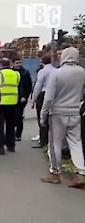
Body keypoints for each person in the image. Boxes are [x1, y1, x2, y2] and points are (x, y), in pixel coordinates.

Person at [40, 47, 85, 188]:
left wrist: (43, 115)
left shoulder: (57, 73)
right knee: (76, 142)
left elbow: (48, 98)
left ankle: (54, 172)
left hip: (57, 113)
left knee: (55, 143)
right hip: (75, 112)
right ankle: (81, 172)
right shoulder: (82, 72)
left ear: (64, 56)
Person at [0, 58, 20, 154]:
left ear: (0, 65)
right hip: (13, 103)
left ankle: (0, 147)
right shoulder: (17, 74)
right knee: (11, 126)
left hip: (0, 103)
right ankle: (11, 145)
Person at [32, 53, 55, 148]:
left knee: (42, 117)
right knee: (51, 116)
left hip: (43, 94)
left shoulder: (42, 72)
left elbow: (38, 86)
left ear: (42, 61)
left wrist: (33, 99)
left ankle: (43, 140)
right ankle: (51, 140)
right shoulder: (56, 70)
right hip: (54, 94)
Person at [12, 58, 33, 141]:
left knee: (19, 116)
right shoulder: (11, 73)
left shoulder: (25, 73)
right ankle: (11, 134)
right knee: (12, 117)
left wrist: (25, 96)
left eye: (20, 63)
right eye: (17, 63)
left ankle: (18, 134)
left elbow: (28, 86)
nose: (18, 64)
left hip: (21, 98)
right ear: (13, 64)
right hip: (11, 98)